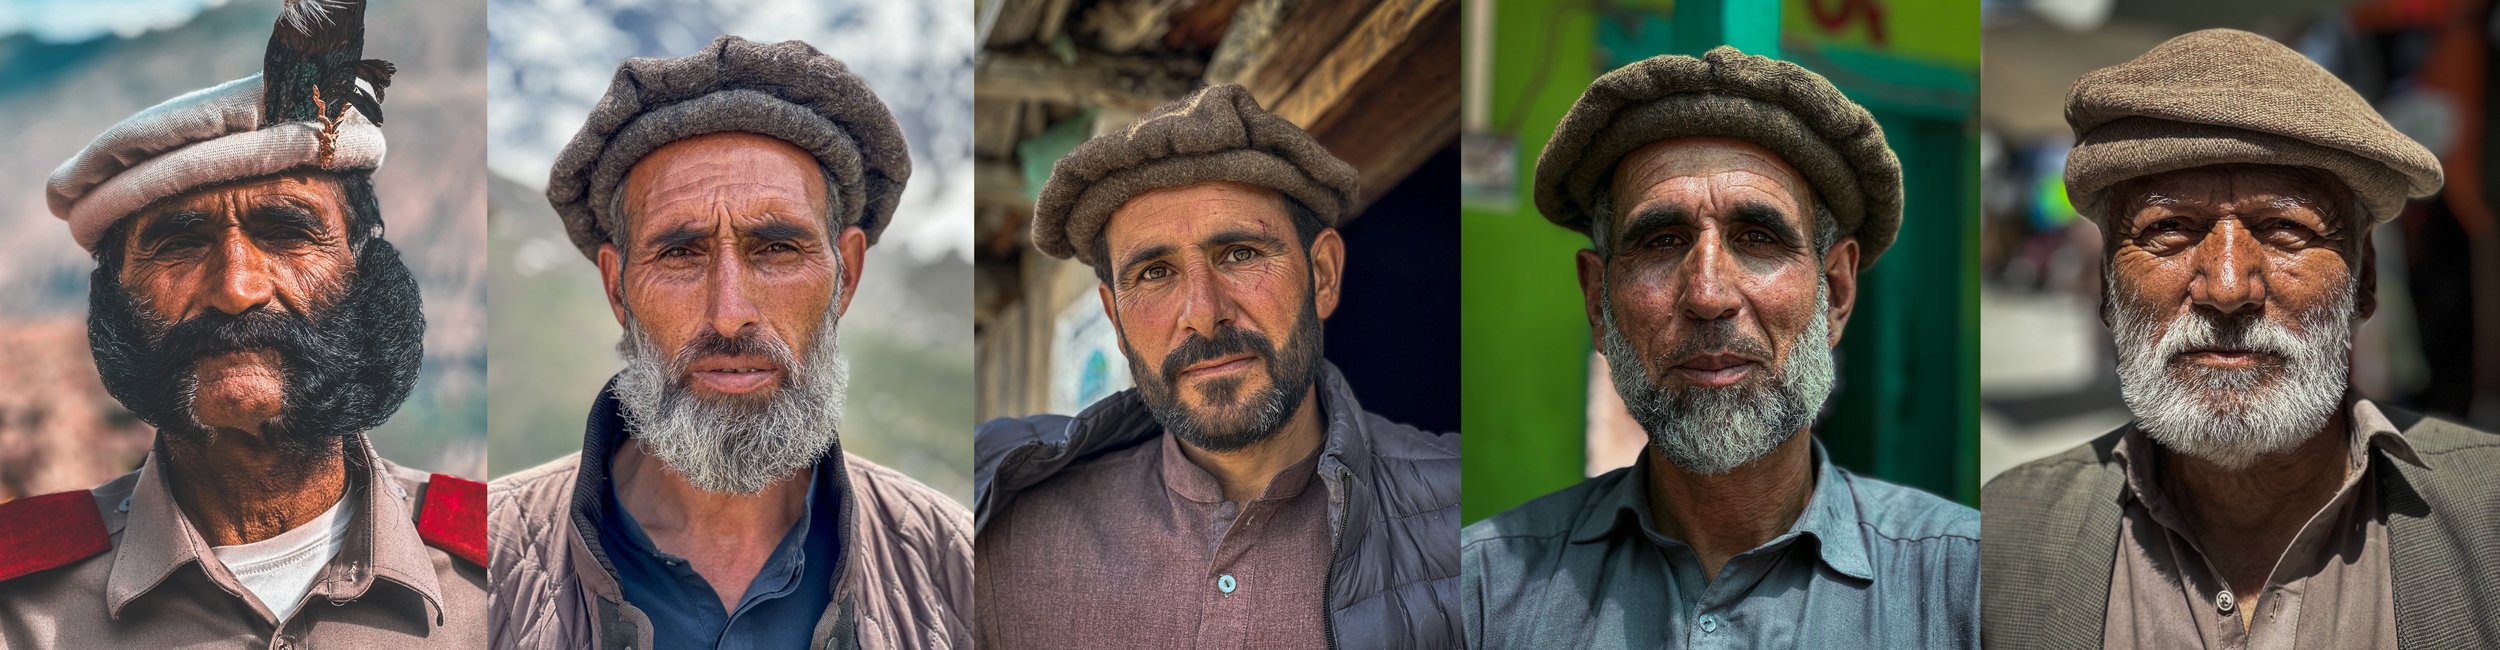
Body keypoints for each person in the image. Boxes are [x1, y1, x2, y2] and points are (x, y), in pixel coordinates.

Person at [1982, 28, 2500, 649]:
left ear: (2364, 279)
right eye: (2170, 228)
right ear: (2105, 289)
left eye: (2285, 230)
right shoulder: (2004, 538)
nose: (2227, 288)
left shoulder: (2488, 515)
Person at [0, 2, 487, 646]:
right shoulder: (21, 607)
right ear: (116, 298)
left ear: (364, 270)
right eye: (179, 243)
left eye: (287, 231)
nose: (236, 288)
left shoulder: (504, 571)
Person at [1462, 46, 1979, 648]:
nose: (1707, 294)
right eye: (1660, 241)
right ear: (1597, 301)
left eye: (1758, 238)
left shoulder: (1963, 583)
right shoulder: (1483, 591)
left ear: (1836, 292)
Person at [485, 36, 972, 649]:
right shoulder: (484, 568)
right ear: (618, 289)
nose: (730, 314)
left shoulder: (956, 572)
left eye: (776, 249)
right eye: (680, 253)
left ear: (845, 274)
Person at [972, 83, 1463, 649]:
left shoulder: (1468, 523)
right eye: (1155, 272)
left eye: (1241, 254)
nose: (1204, 315)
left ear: (1323, 275)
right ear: (1115, 319)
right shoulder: (1003, 536)